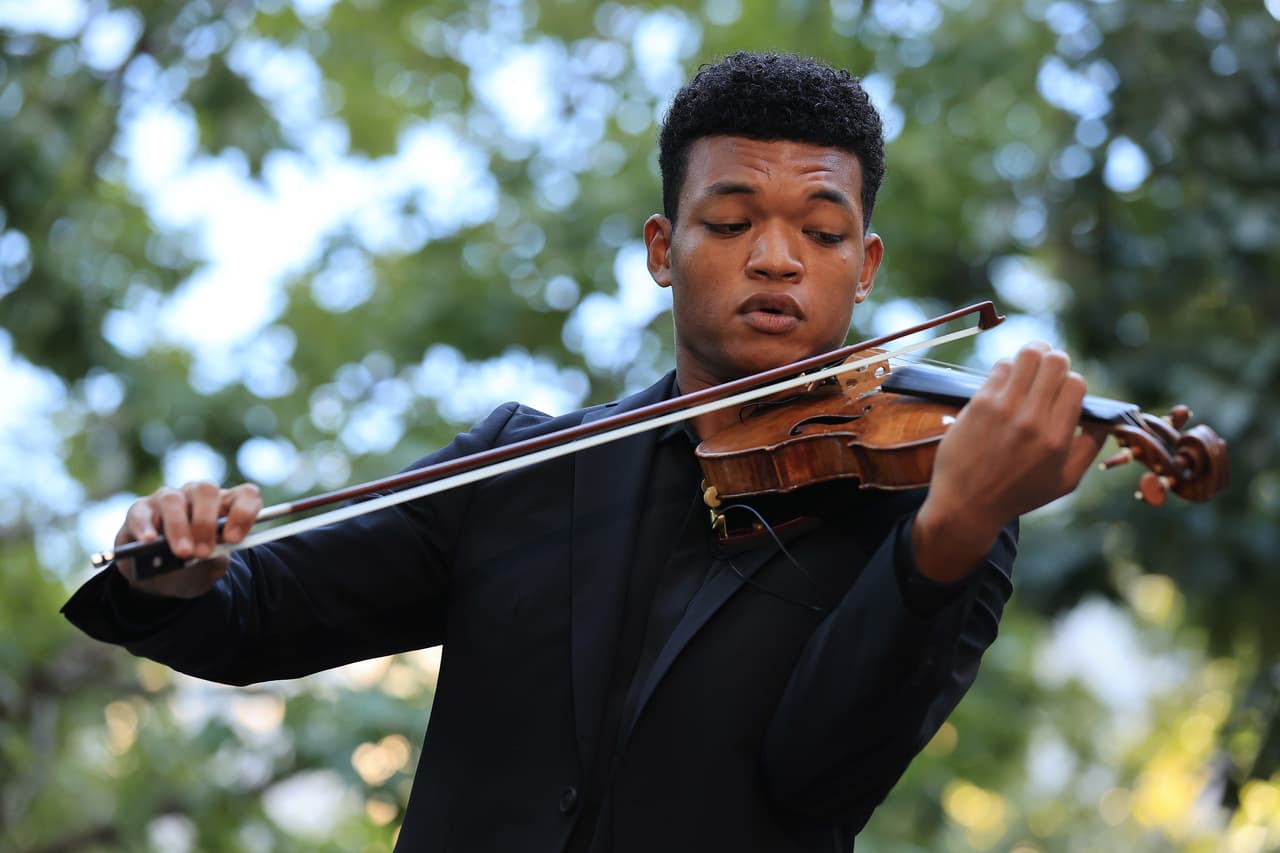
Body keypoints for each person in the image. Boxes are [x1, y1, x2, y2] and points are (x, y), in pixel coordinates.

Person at [63, 52, 1106, 851]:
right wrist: (171, 565)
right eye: (732, 220)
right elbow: (249, 622)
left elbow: (820, 772)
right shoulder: (519, 466)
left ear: (864, 267)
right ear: (663, 250)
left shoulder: (932, 502)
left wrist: (950, 533)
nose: (777, 258)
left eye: (821, 235)